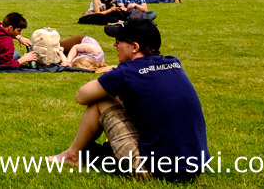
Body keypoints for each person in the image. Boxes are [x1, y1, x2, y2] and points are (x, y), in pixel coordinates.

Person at [49, 20, 208, 180]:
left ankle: (72, 156)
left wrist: (110, 79)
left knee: (101, 101)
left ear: (135, 47)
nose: (114, 45)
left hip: (157, 170)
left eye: (119, 41)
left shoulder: (126, 72)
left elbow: (81, 96)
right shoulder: (174, 63)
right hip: (195, 166)